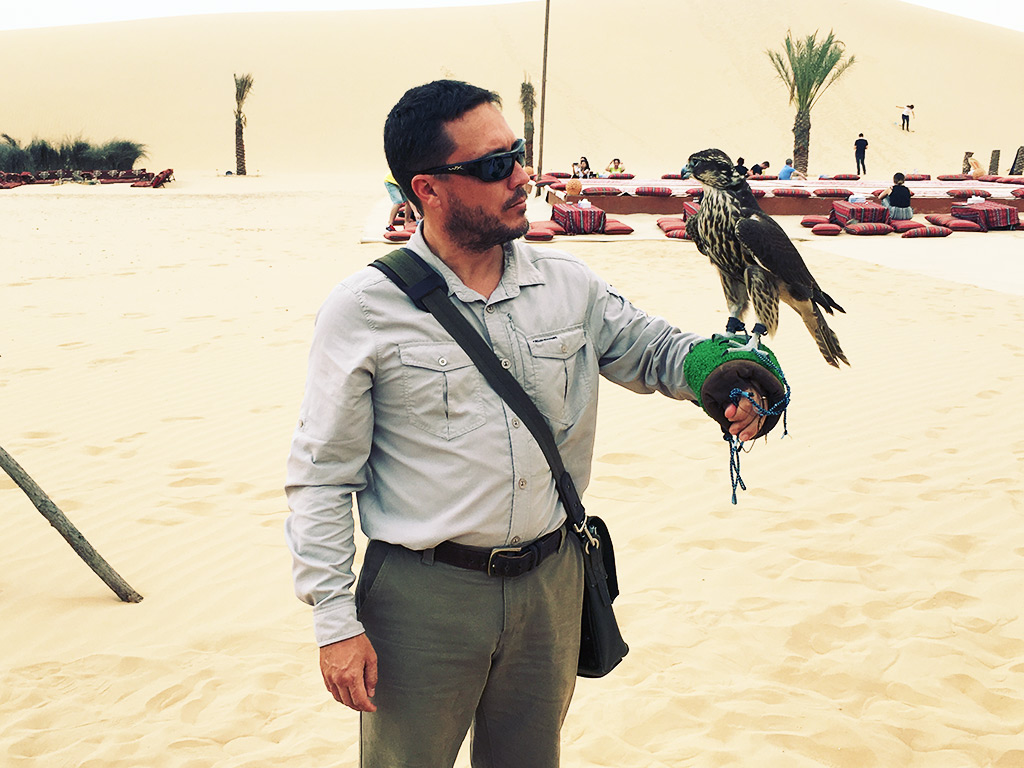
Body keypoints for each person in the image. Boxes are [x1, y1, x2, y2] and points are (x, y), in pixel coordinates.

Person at [284, 79, 771, 768]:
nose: (521, 177)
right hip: (423, 600)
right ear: (427, 188)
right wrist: (335, 622)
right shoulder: (363, 310)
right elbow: (321, 477)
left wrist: (722, 371)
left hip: (552, 582)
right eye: (492, 166)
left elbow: (657, 349)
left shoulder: (568, 284)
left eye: (518, 153)